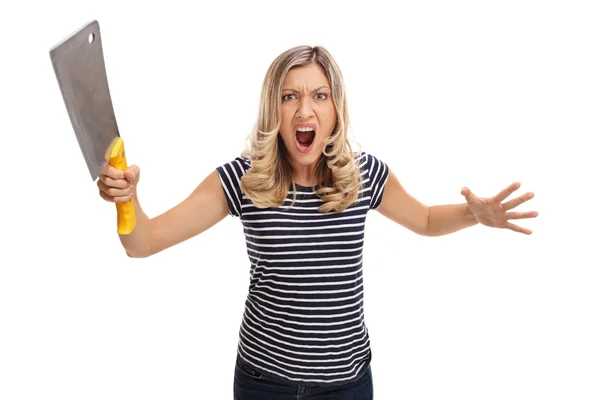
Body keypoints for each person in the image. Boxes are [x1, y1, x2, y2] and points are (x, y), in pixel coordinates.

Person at [96, 45, 538, 399]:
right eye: (290, 96)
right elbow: (144, 242)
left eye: (319, 96)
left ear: (335, 111)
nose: (304, 110)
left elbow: (422, 218)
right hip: (263, 382)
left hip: (346, 385)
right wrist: (127, 200)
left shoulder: (364, 174)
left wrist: (472, 215)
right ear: (275, 109)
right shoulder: (242, 179)